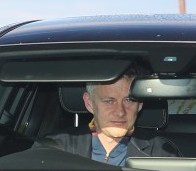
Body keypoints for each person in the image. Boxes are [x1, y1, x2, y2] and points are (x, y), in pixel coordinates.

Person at [35, 67, 179, 164]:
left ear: (140, 104)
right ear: (90, 103)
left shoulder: (161, 153)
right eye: (109, 101)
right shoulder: (55, 147)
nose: (120, 112)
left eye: (129, 100)